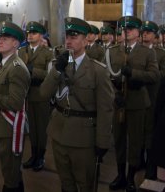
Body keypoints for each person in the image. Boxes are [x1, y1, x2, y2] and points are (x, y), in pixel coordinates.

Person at [39, 17, 114, 192]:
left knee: (85, 184)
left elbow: (105, 109)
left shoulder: (98, 70)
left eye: (74, 36)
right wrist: (57, 70)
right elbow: (44, 93)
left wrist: (102, 141)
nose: (69, 41)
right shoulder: (59, 65)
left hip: (83, 138)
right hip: (59, 133)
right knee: (66, 183)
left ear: (86, 39)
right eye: (67, 36)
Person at [108, 16, 159, 191]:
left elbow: (154, 76)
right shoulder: (114, 51)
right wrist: (114, 88)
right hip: (119, 102)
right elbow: (108, 74)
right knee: (119, 140)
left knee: (135, 142)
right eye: (124, 28)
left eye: (130, 28)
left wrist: (134, 74)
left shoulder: (147, 52)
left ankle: (131, 177)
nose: (126, 31)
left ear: (138, 33)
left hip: (137, 102)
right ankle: (120, 174)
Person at [0, 21, 30, 191]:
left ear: (16, 43)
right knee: (10, 171)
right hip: (4, 125)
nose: (0, 40)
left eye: (6, 38)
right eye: (0, 38)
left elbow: (15, 103)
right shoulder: (4, 64)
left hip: (11, 126)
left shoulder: (17, 67)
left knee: (10, 172)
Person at [18, 21, 53, 172]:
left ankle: (40, 156)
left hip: (41, 94)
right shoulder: (21, 51)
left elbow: (51, 75)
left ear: (41, 36)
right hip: (27, 94)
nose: (30, 35)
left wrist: (34, 71)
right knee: (32, 128)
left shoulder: (47, 53)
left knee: (41, 128)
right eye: (29, 33)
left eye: (34, 33)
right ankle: (33, 155)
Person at [140, 21, 165, 180]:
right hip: (138, 97)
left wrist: (143, 75)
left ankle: (151, 163)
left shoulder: (161, 53)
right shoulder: (138, 52)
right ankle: (139, 161)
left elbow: (161, 75)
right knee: (138, 132)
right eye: (144, 32)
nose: (145, 34)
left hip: (154, 96)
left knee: (151, 131)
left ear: (155, 35)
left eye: (149, 32)